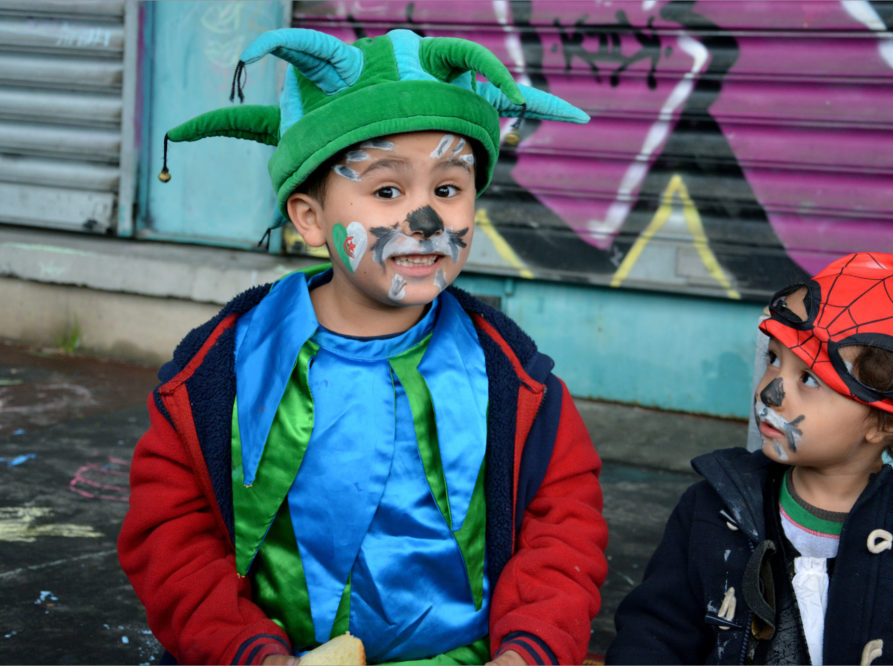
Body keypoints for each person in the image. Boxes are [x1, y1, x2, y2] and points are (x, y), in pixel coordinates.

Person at [118, 28, 607, 666]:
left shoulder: (512, 379)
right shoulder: (225, 373)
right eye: (385, 191)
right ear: (309, 218)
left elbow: (563, 525)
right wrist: (249, 654)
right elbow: (172, 537)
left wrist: (529, 651)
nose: (426, 219)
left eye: (449, 189)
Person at [606, 251, 893, 665]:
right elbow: (653, 636)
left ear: (883, 426)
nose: (771, 392)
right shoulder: (711, 512)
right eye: (774, 359)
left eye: (809, 379)